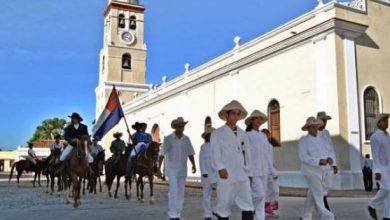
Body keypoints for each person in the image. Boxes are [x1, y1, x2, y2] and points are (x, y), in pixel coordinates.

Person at [210, 100, 254, 220]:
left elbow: (247, 153)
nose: (236, 117)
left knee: (248, 203)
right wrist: (220, 167)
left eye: (238, 114)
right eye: (233, 114)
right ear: (227, 115)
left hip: (242, 173)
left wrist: (249, 172)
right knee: (224, 204)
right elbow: (215, 152)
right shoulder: (218, 133)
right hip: (226, 173)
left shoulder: (242, 133)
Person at [156, 117, 196, 220]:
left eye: (182, 126)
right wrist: (158, 169)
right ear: (175, 127)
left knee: (181, 192)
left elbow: (190, 153)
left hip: (182, 170)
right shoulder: (169, 139)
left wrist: (193, 165)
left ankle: (177, 213)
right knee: (173, 190)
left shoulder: (187, 139)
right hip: (172, 170)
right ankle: (172, 214)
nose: (181, 128)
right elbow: (161, 154)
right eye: (179, 126)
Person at [298, 117, 335, 220]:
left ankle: (305, 215)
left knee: (314, 193)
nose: (315, 129)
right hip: (310, 171)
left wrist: (331, 159)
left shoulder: (323, 139)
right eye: (312, 127)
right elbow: (303, 157)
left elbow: (330, 151)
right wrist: (319, 161)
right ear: (308, 128)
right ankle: (328, 216)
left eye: (316, 127)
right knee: (318, 194)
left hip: (324, 171)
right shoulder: (303, 141)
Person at [245, 110, 277, 220]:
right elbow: (245, 154)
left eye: (260, 119)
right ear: (251, 121)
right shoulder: (247, 135)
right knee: (260, 195)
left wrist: (272, 171)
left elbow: (267, 155)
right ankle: (246, 205)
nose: (259, 121)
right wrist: (247, 171)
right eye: (256, 118)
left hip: (264, 171)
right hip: (253, 171)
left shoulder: (263, 136)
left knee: (263, 197)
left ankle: (259, 217)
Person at [368, 113, 390, 220]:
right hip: (380, 168)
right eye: (384, 120)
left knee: (389, 194)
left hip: (389, 167)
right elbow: (375, 155)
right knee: (386, 189)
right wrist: (377, 171)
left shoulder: (388, 136)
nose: (387, 122)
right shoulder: (375, 137)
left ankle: (387, 215)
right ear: (378, 123)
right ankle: (372, 205)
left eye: (387, 120)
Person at [317, 111, 338, 211]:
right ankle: (327, 211)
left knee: (326, 187)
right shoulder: (314, 133)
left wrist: (334, 164)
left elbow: (330, 148)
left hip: (327, 166)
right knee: (320, 189)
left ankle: (305, 214)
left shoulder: (326, 133)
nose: (325, 123)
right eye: (323, 120)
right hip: (317, 165)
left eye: (326, 121)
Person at [261, 128, 280, 217]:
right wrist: (273, 172)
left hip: (269, 170)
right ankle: (266, 211)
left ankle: (270, 210)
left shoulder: (269, 146)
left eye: (267, 135)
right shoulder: (264, 146)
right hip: (267, 172)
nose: (266, 136)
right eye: (264, 135)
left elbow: (271, 160)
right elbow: (267, 160)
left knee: (273, 191)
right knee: (269, 192)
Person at [199, 126, 217, 220]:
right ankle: (207, 214)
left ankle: (218, 210)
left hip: (217, 173)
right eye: (210, 135)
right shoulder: (203, 147)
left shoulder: (218, 146)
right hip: (207, 173)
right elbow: (201, 160)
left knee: (222, 193)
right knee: (207, 194)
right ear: (207, 136)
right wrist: (204, 171)